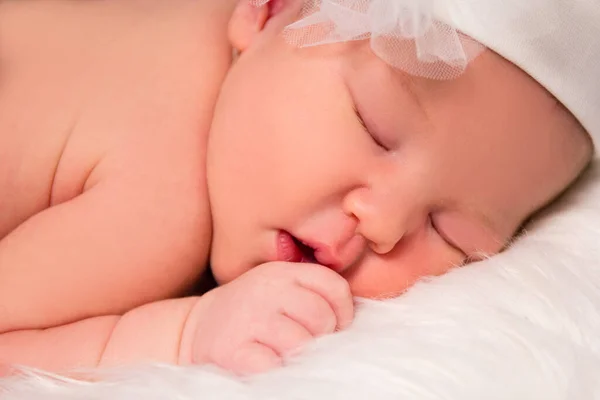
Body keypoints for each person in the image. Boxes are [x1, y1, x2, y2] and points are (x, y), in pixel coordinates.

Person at [0, 0, 596, 376]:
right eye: (376, 128)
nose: (383, 223)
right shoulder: (163, 204)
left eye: (450, 233)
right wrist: (184, 332)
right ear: (269, 9)